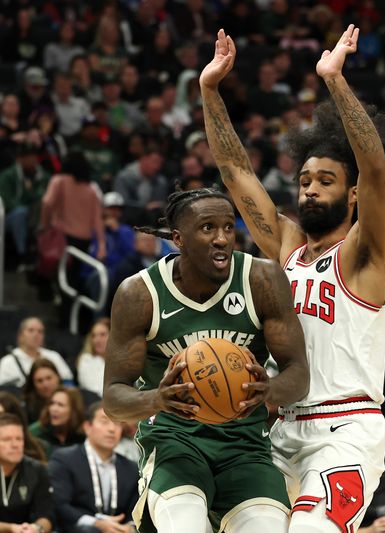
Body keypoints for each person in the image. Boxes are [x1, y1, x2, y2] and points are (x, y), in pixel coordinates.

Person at [200, 26, 385, 533]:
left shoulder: (365, 253)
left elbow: (376, 171)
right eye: (305, 181)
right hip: (280, 425)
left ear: (353, 194)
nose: (311, 190)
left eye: (326, 181)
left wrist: (334, 81)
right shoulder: (289, 246)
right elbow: (234, 171)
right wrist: (209, 91)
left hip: (346, 427)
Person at [103, 190, 309, 532]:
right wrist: (157, 399)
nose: (222, 239)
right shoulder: (139, 293)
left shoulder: (262, 279)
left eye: (229, 227)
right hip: (174, 443)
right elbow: (113, 398)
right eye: (208, 228)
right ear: (178, 239)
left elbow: (299, 375)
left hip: (245, 446)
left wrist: (268, 390)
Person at [48, 403, 138, 533]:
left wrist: (130, 527)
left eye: (117, 423)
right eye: (104, 421)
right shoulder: (64, 459)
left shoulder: (131, 468)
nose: (112, 429)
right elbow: (60, 505)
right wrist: (97, 524)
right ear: (87, 427)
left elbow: (134, 510)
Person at [0, 317, 74, 389]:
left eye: (40, 332)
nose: (36, 335)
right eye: (31, 330)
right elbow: (4, 391)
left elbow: (68, 383)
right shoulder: (8, 361)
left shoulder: (54, 356)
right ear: (20, 335)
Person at [29, 387, 85, 457]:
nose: (54, 409)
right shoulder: (35, 432)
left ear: (74, 410)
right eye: (52, 403)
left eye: (60, 405)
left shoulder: (84, 435)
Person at [22, 360, 62, 425]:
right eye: (39, 381)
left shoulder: (71, 399)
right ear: (33, 384)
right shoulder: (27, 409)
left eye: (49, 378)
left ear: (58, 377)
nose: (45, 385)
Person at [76, 319, 109, 398]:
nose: (97, 340)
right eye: (93, 336)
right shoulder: (86, 360)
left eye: (102, 334)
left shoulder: (121, 359)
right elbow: (93, 388)